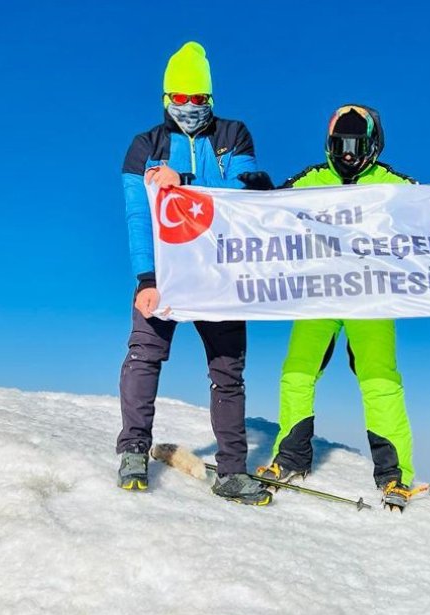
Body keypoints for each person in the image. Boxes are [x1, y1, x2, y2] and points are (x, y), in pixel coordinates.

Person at [116, 41, 272, 506]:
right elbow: (137, 214)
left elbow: (244, 193)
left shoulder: (233, 134)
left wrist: (184, 182)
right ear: (166, 99)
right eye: (179, 98)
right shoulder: (146, 145)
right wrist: (146, 279)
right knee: (145, 355)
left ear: (210, 99)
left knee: (228, 371)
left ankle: (231, 470)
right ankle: (133, 452)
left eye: (198, 98)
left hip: (220, 273)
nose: (189, 107)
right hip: (165, 271)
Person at [258, 104, 418, 511]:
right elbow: (270, 211)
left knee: (379, 380)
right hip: (320, 295)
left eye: (356, 144)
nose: (348, 154)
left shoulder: (391, 183)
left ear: (372, 144)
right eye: (339, 145)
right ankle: (291, 457)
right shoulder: (313, 179)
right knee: (296, 371)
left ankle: (395, 475)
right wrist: (260, 194)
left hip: (371, 297)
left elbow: (427, 214)